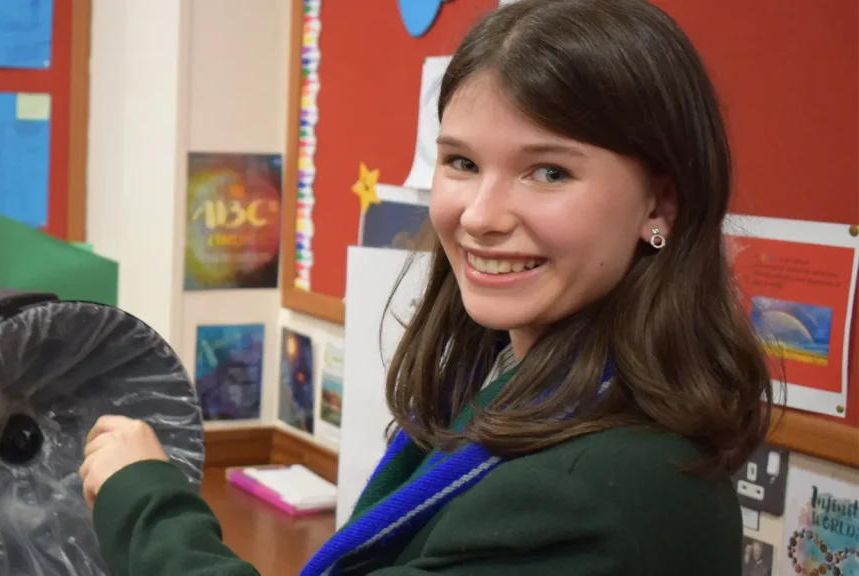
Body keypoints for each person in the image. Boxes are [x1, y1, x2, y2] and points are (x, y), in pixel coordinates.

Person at [79, 0, 772, 573]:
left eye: (549, 172)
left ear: (660, 206)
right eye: (462, 162)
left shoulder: (595, 496)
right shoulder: (520, 383)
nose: (480, 215)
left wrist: (143, 500)